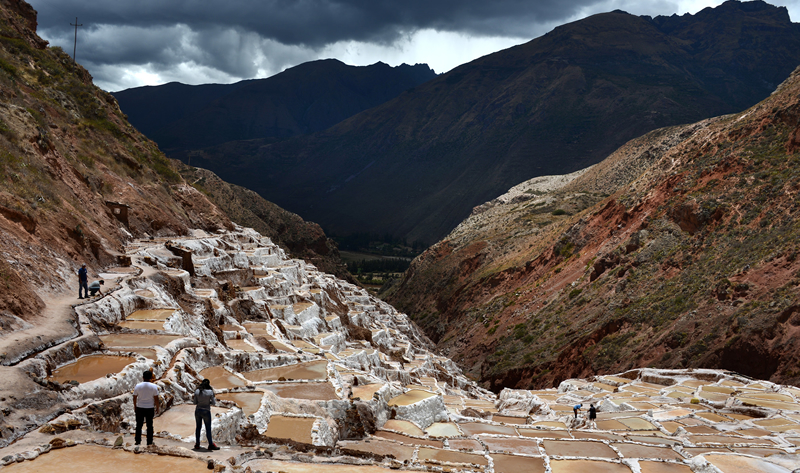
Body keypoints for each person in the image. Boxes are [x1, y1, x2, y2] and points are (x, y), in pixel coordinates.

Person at [133, 370, 159, 446]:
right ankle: (149, 442)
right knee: (149, 425)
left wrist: (135, 406)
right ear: (151, 378)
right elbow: (156, 398)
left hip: (140, 407)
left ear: (143, 377)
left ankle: (138, 441)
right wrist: (157, 407)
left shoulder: (138, 386)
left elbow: (134, 397)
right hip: (150, 408)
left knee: (139, 425)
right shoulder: (154, 386)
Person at [193, 378, 220, 450]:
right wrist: (208, 402)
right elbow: (214, 403)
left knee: (198, 428)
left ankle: (197, 444)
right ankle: (210, 444)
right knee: (208, 429)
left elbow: (195, 402)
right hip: (206, 411)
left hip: (198, 410)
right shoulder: (210, 392)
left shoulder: (197, 391)